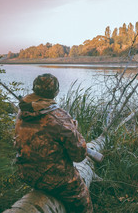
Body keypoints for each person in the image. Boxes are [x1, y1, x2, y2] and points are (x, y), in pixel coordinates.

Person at [14, 73, 93, 213]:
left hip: (26, 173)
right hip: (56, 179)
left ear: (34, 89)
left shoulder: (23, 111)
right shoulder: (58, 116)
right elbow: (79, 155)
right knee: (82, 197)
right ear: (55, 92)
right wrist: (74, 130)